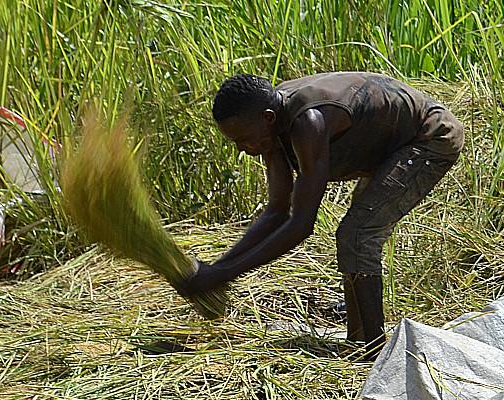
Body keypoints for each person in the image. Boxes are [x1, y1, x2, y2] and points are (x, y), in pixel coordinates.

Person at [180, 72, 464, 359]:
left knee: (357, 233)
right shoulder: (271, 127)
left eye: (243, 139)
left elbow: (301, 224)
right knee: (355, 235)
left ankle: (375, 353)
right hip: (393, 143)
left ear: (267, 118)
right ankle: (358, 341)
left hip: (429, 137)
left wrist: (225, 274)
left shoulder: (308, 122)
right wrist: (218, 268)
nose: (242, 148)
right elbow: (277, 212)